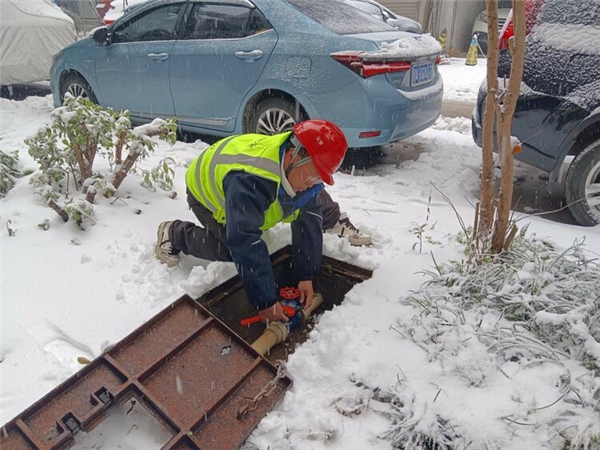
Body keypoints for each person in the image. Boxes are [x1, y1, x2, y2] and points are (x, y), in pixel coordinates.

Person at [155, 120, 352, 323]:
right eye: (311, 178)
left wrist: (306, 275)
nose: (311, 186)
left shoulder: (301, 173)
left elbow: (309, 221)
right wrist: (265, 300)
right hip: (205, 192)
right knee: (232, 249)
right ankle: (174, 233)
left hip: (237, 186)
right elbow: (244, 238)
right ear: (293, 156)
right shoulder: (252, 181)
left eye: (318, 181)